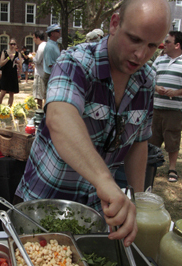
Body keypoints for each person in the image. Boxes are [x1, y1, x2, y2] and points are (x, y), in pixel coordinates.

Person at [15, 0, 171, 246]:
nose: (141, 54)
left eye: (152, 45)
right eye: (134, 39)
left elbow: (139, 144)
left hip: (95, 216)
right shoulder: (74, 63)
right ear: (115, 23)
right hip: (43, 207)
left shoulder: (146, 80)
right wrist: (105, 180)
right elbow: (59, 119)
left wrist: (137, 201)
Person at [149, 31, 182, 182]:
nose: (164, 44)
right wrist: (156, 88)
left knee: (172, 138)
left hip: (175, 110)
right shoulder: (159, 60)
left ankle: (172, 169)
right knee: (152, 137)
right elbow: (150, 78)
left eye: (168, 42)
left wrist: (177, 92)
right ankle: (149, 165)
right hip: (155, 107)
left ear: (177, 45)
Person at [0, 38, 22, 107]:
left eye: (14, 44)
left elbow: (20, 66)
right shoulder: (4, 52)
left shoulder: (17, 54)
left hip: (13, 75)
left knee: (11, 93)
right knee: (2, 93)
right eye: (11, 44)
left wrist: (19, 62)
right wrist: (8, 58)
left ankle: (9, 109)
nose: (13, 45)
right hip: (5, 74)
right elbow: (1, 63)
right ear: (9, 44)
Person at [43, 24, 61, 91]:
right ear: (52, 33)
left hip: (54, 74)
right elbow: (49, 64)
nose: (59, 32)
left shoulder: (55, 45)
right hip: (50, 75)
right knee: (49, 97)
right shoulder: (49, 46)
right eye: (58, 31)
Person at [32, 30, 47, 109]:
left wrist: (32, 57)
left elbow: (37, 60)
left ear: (38, 37)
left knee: (39, 96)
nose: (34, 40)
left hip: (40, 74)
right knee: (45, 95)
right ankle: (45, 113)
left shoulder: (41, 46)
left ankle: (40, 113)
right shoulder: (47, 45)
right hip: (46, 73)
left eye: (34, 38)